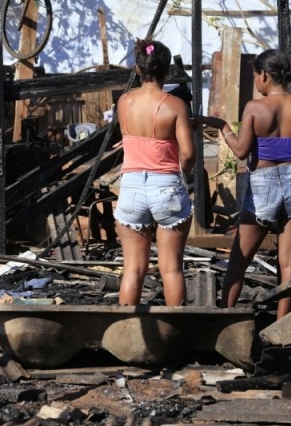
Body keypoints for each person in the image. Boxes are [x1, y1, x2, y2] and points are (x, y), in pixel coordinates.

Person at [198, 49, 291, 319]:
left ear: (264, 75)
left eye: (256, 75)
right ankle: (283, 327)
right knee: (290, 261)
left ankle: (224, 321)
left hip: (263, 185)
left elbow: (241, 151)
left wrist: (223, 126)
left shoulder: (255, 108)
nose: (256, 81)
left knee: (238, 261)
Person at [114, 38, 196, 306]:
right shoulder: (175, 106)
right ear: (167, 70)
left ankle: (125, 334)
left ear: (138, 69)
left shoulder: (124, 102)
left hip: (131, 188)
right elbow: (189, 153)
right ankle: (177, 338)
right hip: (167, 187)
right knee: (171, 268)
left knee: (133, 270)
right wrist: (184, 174)